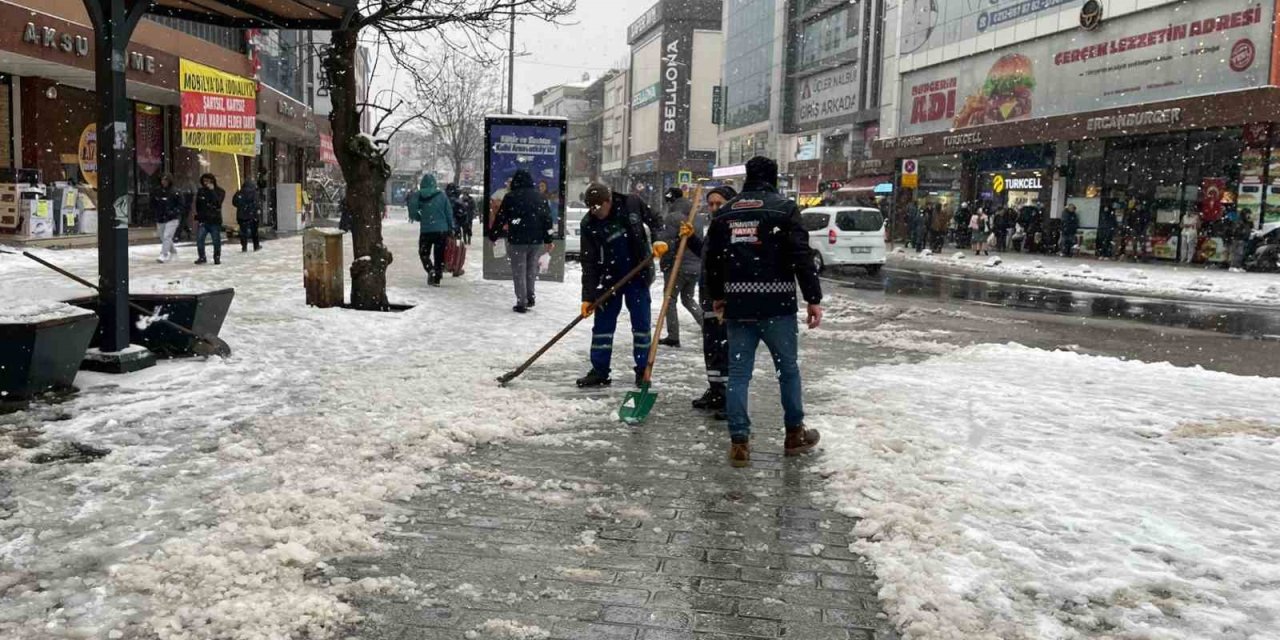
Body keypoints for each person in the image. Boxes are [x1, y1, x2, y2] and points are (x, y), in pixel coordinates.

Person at [704, 156, 823, 468]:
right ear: (774, 177)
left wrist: (718, 295)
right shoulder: (784, 209)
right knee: (787, 370)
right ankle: (794, 434)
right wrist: (813, 298)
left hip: (738, 306)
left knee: (738, 374)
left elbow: (713, 259)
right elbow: (801, 256)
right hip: (777, 305)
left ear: (747, 176)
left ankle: (739, 441)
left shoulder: (727, 212)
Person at [576, 182, 663, 388]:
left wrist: (658, 240)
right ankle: (599, 371)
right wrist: (587, 297)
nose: (594, 211)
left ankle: (643, 370)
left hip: (638, 275)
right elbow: (588, 262)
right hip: (607, 280)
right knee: (602, 328)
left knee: (641, 326)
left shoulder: (631, 204)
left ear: (608, 201)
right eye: (590, 207)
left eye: (598, 207)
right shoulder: (588, 223)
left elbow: (656, 221)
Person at [692, 186, 737, 419]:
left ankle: (730, 396)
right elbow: (707, 255)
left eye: (719, 203)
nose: (714, 208)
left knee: (724, 348)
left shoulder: (734, 227)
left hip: (724, 297)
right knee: (711, 347)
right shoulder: (715, 227)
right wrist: (690, 239)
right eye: (711, 204)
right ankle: (716, 390)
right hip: (709, 295)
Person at [491, 170, 555, 312]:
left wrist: (494, 234)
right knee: (531, 269)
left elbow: (501, 217)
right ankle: (530, 296)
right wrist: (548, 239)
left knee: (519, 270)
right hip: (535, 240)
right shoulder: (540, 197)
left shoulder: (510, 197)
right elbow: (547, 219)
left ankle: (522, 301)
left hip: (517, 239)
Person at [658, 187, 703, 347]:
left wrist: (665, 264)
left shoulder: (672, 217)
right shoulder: (696, 216)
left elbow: (668, 244)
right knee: (688, 298)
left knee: (669, 300)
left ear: (671, 201)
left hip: (679, 266)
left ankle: (673, 336)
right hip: (696, 265)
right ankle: (707, 326)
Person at [407, 173, 455, 287]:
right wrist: (450, 227)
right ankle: (437, 278)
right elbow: (449, 213)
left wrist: (419, 218)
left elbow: (412, 210)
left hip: (426, 230)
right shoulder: (442, 195)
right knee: (439, 255)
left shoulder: (418, 195)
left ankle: (430, 269)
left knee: (424, 253)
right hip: (441, 230)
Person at [151, 173, 184, 263]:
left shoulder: (176, 192)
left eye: (166, 180)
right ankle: (173, 252)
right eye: (162, 180)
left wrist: (174, 212)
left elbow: (181, 205)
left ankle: (163, 254)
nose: (164, 182)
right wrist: (155, 211)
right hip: (160, 217)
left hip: (172, 218)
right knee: (164, 237)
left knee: (167, 236)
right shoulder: (157, 191)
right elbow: (153, 203)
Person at [194, 173, 225, 265]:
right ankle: (202, 256)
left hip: (214, 220)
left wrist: (212, 191)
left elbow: (218, 203)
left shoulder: (220, 191)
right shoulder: (201, 191)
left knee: (216, 240)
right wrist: (199, 216)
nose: (206, 183)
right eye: (204, 181)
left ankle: (217, 257)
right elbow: (198, 205)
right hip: (203, 219)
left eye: (208, 181)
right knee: (200, 239)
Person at [232, 180, 261, 253]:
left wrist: (237, 194)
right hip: (252, 215)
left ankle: (244, 246)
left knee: (243, 232)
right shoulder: (254, 193)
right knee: (254, 232)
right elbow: (256, 204)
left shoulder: (240, 193)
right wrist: (256, 210)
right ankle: (256, 246)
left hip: (242, 216)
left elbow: (234, 203)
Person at [1230, 209, 1254, 273]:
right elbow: (1236, 231)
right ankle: (1233, 266)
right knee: (1237, 253)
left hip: (1243, 239)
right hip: (1238, 239)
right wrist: (1243, 233)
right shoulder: (1240, 221)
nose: (1249, 215)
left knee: (1241, 254)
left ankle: (1238, 266)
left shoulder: (1247, 221)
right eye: (1248, 214)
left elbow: (1249, 228)